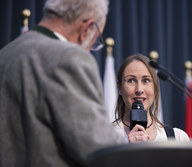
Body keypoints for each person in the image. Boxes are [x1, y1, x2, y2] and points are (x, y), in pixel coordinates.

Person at [0, 0, 125, 166]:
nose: (90, 49)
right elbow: (101, 148)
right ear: (87, 28)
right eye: (95, 40)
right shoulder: (69, 57)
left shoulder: (5, 53)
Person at [113, 54, 190, 143]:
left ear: (155, 87)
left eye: (146, 80)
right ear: (119, 87)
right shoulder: (103, 137)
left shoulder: (178, 138)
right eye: (131, 80)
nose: (139, 89)